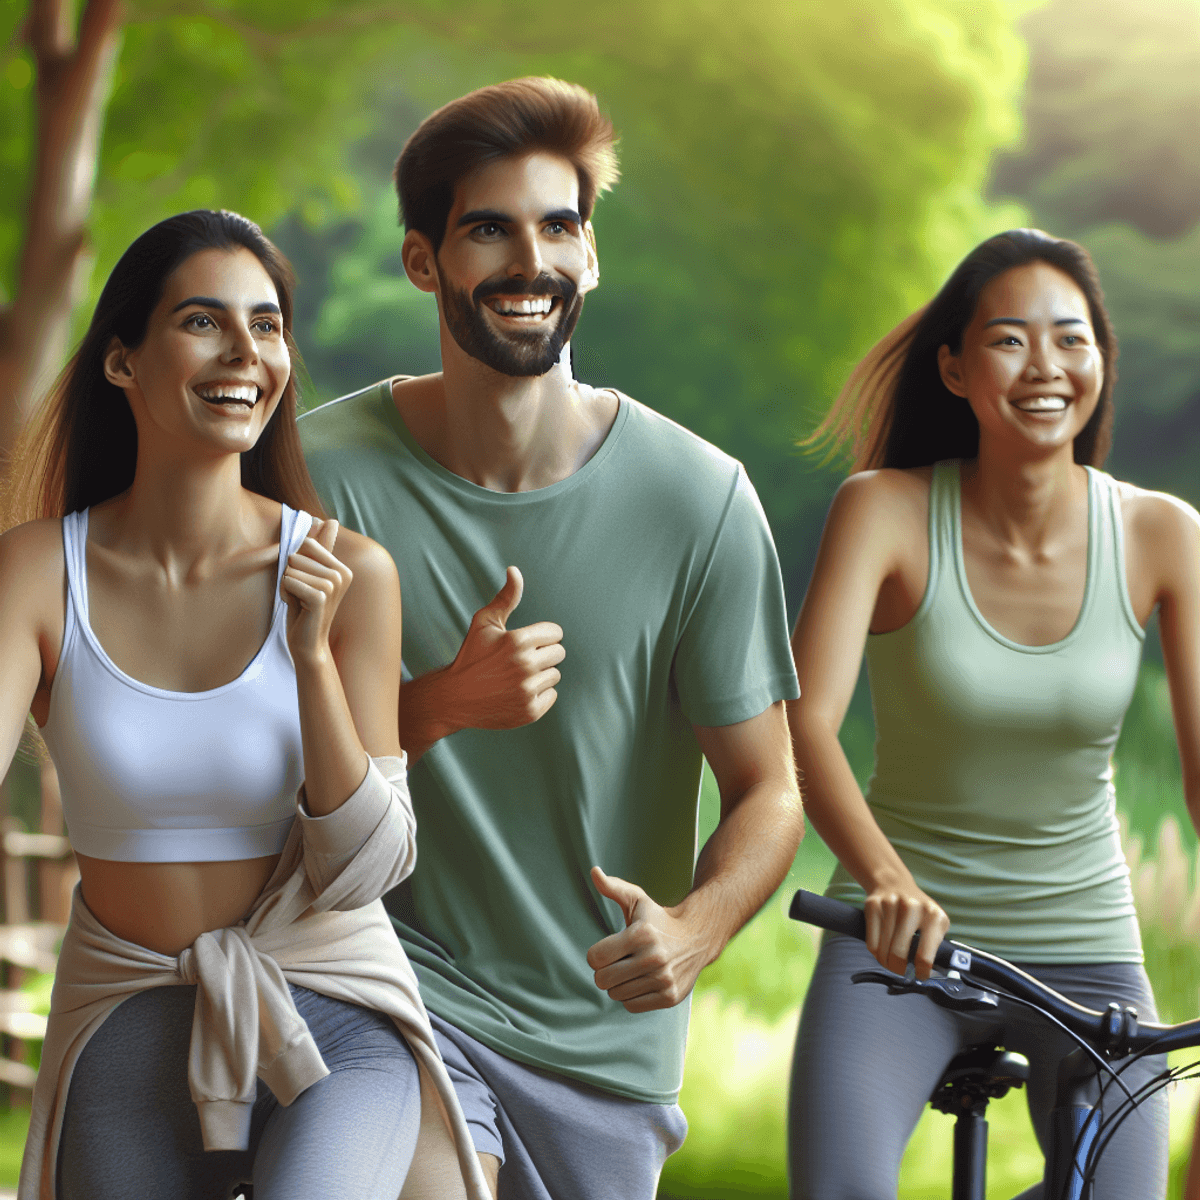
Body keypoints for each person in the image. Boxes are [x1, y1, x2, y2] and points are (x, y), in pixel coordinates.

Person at [299, 77, 803, 1200]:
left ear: (592, 254)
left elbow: (769, 787)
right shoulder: (315, 481)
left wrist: (697, 930)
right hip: (388, 986)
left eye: (560, 226)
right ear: (424, 261)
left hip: (604, 1052)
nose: (532, 261)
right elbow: (256, 758)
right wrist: (436, 704)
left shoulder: (700, 501)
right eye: (489, 229)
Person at [5, 210, 490, 1200]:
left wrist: (309, 657)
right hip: (127, 1009)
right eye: (202, 321)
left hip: (332, 1010)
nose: (246, 353)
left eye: (267, 325)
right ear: (120, 362)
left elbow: (368, 862)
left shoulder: (351, 571)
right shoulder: (35, 574)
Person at [786, 228, 1200, 1199]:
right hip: (899, 950)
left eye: (1071, 338)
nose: (1046, 366)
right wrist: (885, 882)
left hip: (1085, 947)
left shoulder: (1160, 534)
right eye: (1011, 340)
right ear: (956, 368)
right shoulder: (882, 511)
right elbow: (803, 725)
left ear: (1100, 358)